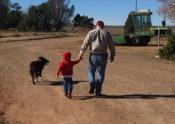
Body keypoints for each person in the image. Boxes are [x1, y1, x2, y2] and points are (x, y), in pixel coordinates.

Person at [78, 20, 116, 96]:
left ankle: (92, 82)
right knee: (101, 74)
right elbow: (112, 46)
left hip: (93, 55)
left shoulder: (91, 32)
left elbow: (85, 44)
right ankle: (98, 91)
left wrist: (80, 54)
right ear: (103, 25)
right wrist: (112, 55)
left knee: (91, 71)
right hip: (103, 56)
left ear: (96, 25)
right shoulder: (107, 33)